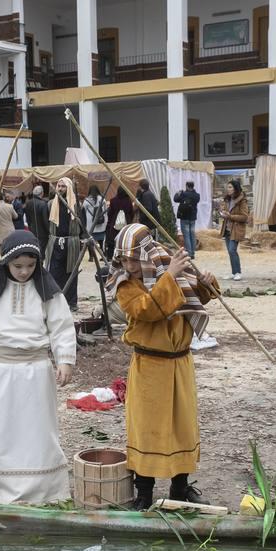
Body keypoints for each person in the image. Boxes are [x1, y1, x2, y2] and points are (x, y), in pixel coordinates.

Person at [105, 223, 218, 510]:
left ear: (147, 254)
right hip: (149, 364)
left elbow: (197, 296)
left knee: (182, 426)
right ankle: (144, 492)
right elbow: (148, 309)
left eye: (134, 258)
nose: (129, 265)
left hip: (180, 362)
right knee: (148, 428)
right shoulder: (125, 284)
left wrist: (205, 281)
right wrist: (171, 275)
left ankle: (180, 489)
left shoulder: (169, 270)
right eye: (124, 259)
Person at [0, 230, 76, 504]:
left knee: (38, 427)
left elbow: (61, 326)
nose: (24, 272)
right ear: (5, 263)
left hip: (36, 369)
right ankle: (0, 487)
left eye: (30, 265)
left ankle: (43, 489)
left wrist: (64, 360)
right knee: (2, 425)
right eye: (17, 266)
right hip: (2, 369)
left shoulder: (47, 290)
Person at [45, 177, 81, 311]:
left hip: (71, 243)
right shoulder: (50, 204)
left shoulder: (76, 206)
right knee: (54, 272)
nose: (60, 189)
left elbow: (82, 225)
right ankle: (55, 302)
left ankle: (71, 303)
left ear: (69, 188)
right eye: (58, 186)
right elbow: (45, 224)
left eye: (63, 186)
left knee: (71, 272)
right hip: (55, 242)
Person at [219, 179, 249, 281]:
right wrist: (222, 213)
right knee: (230, 251)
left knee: (232, 250)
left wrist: (230, 216)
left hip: (236, 229)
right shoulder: (228, 199)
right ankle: (233, 272)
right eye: (227, 187)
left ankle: (238, 272)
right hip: (227, 228)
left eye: (230, 187)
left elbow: (244, 217)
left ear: (236, 188)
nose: (228, 189)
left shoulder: (242, 200)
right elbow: (226, 212)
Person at [173, 182, 200, 260]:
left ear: (187, 186)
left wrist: (178, 193)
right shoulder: (197, 195)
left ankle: (189, 253)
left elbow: (175, 199)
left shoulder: (183, 194)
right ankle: (193, 252)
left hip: (184, 217)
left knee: (186, 235)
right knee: (192, 234)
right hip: (193, 217)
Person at [105, 189, 134, 260]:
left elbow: (110, 213)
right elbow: (131, 212)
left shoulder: (113, 200)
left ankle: (110, 257)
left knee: (112, 241)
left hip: (115, 224)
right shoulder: (128, 201)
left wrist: (110, 223)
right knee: (125, 240)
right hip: (126, 224)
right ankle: (125, 256)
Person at [82, 185, 107, 258]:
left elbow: (84, 212)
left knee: (90, 241)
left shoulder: (86, 201)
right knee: (101, 241)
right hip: (101, 224)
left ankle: (91, 257)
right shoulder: (103, 199)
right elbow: (105, 211)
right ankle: (103, 255)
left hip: (90, 225)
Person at [25, 185, 50, 257]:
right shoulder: (43, 204)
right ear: (42, 193)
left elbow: (27, 218)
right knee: (41, 252)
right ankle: (40, 266)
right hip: (42, 233)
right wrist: (49, 231)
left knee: (34, 250)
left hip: (32, 231)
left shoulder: (28, 203)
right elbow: (45, 220)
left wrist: (30, 228)